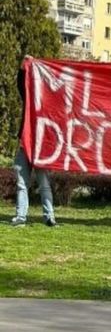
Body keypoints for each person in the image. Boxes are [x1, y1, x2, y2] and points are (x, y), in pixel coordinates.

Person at [10, 62, 56, 227]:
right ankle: (21, 216)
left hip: (41, 148)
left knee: (44, 184)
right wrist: (23, 68)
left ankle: (49, 216)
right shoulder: (29, 99)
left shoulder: (51, 106)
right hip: (25, 147)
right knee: (22, 183)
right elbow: (21, 85)